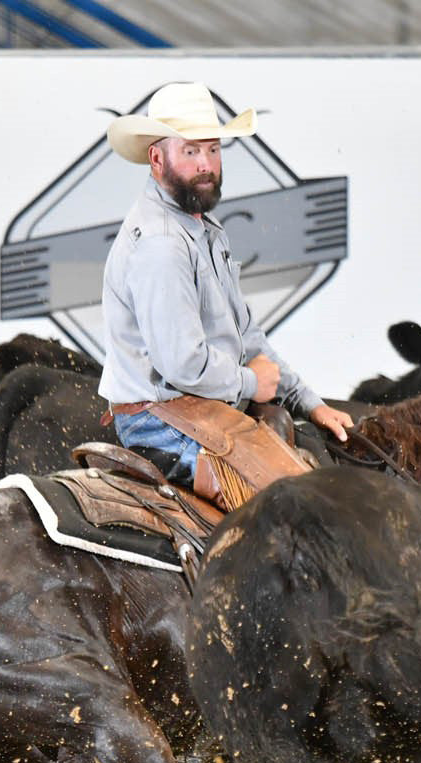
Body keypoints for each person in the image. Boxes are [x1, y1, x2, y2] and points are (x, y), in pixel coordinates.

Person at [100, 81, 353, 495]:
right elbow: (183, 365)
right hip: (160, 420)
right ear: (157, 159)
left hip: (199, 407)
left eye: (213, 150)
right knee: (289, 504)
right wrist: (251, 384)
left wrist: (310, 403)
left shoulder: (203, 228)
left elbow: (246, 337)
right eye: (190, 151)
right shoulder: (163, 245)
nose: (206, 165)